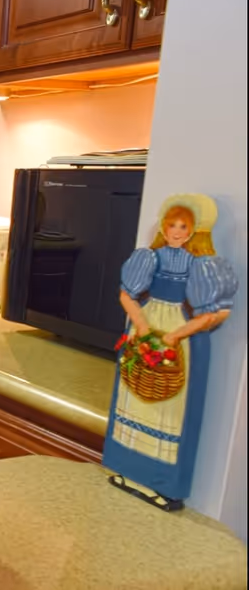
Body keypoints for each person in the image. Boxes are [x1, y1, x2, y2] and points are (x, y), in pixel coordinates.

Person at [106, 194, 237, 500]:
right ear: (163, 228)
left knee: (172, 405)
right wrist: (141, 325)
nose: (176, 232)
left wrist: (177, 335)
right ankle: (127, 465)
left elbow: (213, 313)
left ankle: (163, 481)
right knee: (134, 390)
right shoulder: (150, 257)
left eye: (183, 226)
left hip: (178, 327)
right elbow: (127, 294)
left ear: (194, 230)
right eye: (171, 225)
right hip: (148, 321)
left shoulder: (202, 265)